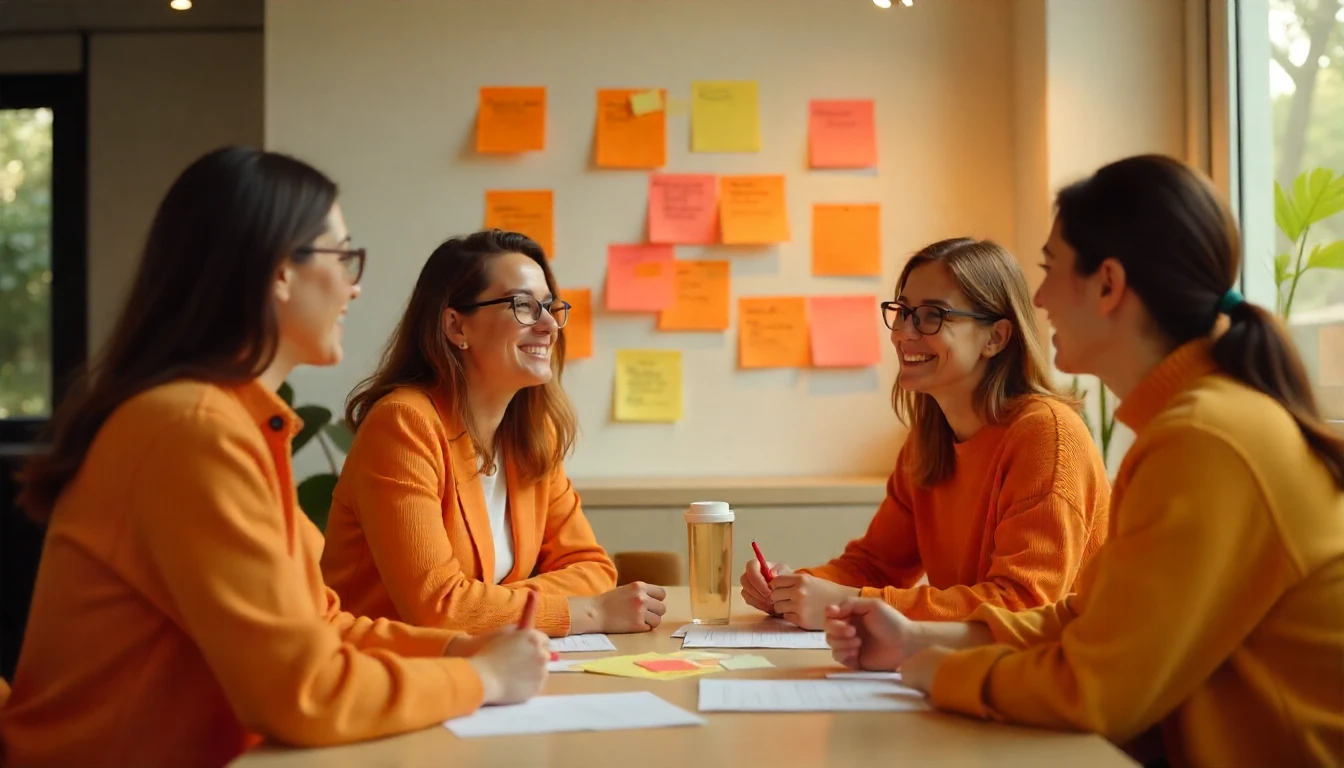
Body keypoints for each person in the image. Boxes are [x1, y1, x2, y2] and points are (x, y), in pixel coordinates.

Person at [0, 148, 548, 767]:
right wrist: (483, 679)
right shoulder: (191, 430)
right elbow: (303, 692)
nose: (355, 286)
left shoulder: (227, 420)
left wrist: (456, 651)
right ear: (280, 271)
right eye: (343, 258)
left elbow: (321, 625)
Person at [824, 155, 1344, 768]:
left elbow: (1096, 691)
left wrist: (938, 670)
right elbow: (1084, 618)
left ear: (1108, 285)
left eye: (1050, 269)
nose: (1039, 298)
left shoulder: (1205, 439)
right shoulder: (1193, 425)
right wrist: (917, 638)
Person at [741, 238, 1110, 630]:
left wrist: (850, 603)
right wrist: (793, 587)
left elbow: (1021, 605)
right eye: (902, 312)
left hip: (1065, 665)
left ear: (996, 338)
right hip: (977, 661)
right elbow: (875, 565)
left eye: (932, 315)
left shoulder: (1046, 436)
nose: (903, 332)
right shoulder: (928, 440)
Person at [319, 229, 664, 638]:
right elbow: (438, 609)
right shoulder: (402, 425)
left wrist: (485, 606)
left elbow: (592, 568)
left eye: (549, 306)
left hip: (476, 664)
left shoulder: (532, 434)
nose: (549, 325)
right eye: (523, 305)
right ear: (456, 327)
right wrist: (590, 612)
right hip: (381, 667)